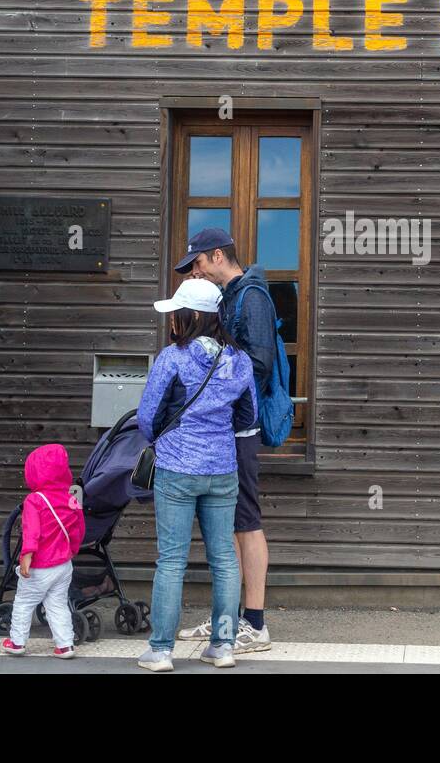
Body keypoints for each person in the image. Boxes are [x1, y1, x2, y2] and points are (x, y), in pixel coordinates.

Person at [136, 277, 258, 672]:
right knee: (224, 558)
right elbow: (248, 416)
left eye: (175, 312)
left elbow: (147, 418)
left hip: (177, 468)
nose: (172, 318)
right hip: (222, 468)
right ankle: (223, 647)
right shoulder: (238, 359)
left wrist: (167, 439)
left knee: (171, 560)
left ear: (187, 316)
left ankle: (160, 651)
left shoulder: (173, 358)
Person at [174, 228, 277, 653]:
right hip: (227, 428)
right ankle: (228, 618)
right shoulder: (233, 294)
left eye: (197, 264)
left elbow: (260, 364)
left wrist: (213, 393)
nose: (195, 273)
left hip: (239, 429)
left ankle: (254, 624)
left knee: (245, 523)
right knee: (231, 525)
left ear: (217, 256)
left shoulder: (250, 297)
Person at [0, 443, 86, 658]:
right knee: (57, 604)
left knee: (24, 602)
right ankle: (65, 645)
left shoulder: (34, 500)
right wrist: (72, 550)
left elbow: (32, 532)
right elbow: (79, 528)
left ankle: (17, 642)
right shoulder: (72, 497)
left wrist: (26, 557)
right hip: (64, 565)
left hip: (40, 565)